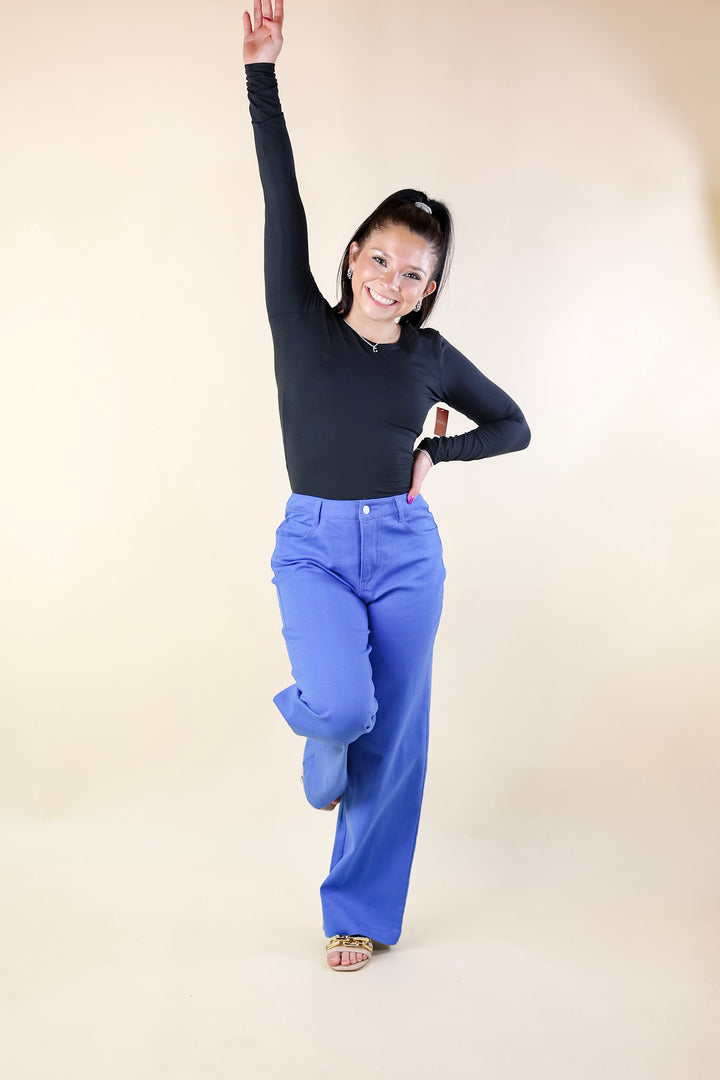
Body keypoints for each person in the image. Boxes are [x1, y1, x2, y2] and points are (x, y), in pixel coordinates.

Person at [243, 0, 530, 972]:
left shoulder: (430, 356)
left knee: (395, 739)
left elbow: (514, 425)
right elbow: (281, 196)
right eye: (380, 259)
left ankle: (356, 912)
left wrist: (439, 456)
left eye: (414, 274)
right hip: (315, 548)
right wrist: (261, 74)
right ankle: (319, 733)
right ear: (352, 255)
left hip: (407, 553)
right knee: (342, 708)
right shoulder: (300, 323)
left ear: (429, 288)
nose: (391, 281)